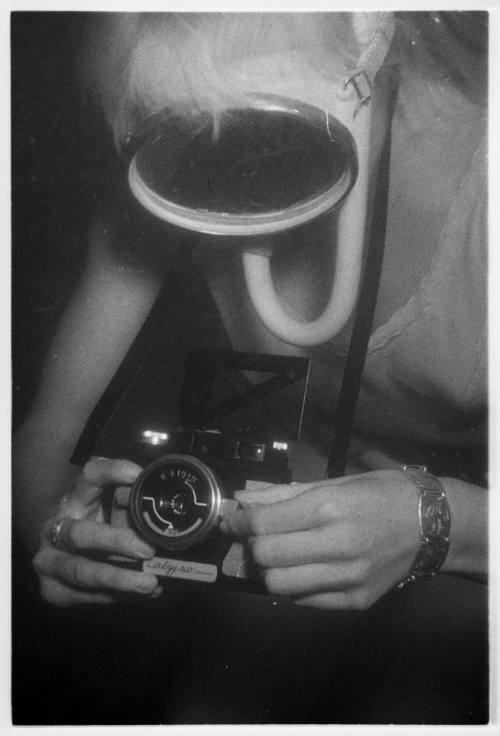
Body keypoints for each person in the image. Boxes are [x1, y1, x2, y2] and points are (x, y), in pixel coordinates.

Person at [13, 10, 488, 724]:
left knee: (417, 688)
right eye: (199, 127)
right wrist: (56, 537)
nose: (238, 159)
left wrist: (438, 524)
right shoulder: (186, 132)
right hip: (309, 471)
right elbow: (52, 425)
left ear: (368, 42)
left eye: (261, 118)